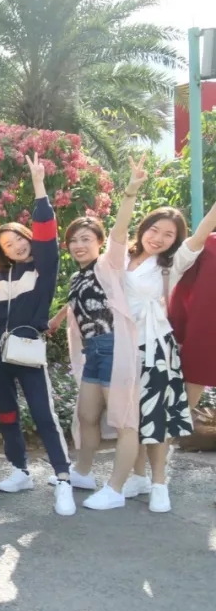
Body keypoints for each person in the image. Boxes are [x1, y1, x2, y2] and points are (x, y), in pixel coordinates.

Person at [0, 153, 75, 516]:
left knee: (43, 413)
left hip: (27, 350)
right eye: (8, 245)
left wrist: (39, 186)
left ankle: (63, 478)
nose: (17, 246)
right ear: (1, 251)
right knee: (6, 414)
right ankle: (20, 470)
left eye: (19, 239)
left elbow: (47, 232)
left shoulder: (43, 268)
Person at [111, 196, 216, 512]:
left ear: (176, 241)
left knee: (157, 418)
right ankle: (138, 476)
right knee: (133, 418)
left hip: (155, 344)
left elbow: (202, 232)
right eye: (154, 230)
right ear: (144, 228)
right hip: (122, 345)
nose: (158, 238)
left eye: (168, 235)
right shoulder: (124, 257)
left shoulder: (173, 263)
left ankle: (159, 484)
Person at [58, 156, 147, 511]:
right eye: (73, 240)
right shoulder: (77, 276)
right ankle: (83, 472)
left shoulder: (108, 264)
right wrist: (54, 321)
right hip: (94, 350)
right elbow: (78, 308)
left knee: (125, 421)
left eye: (86, 239)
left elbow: (120, 232)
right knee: (86, 415)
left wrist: (130, 192)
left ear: (99, 242)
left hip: (114, 346)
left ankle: (116, 488)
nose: (79, 245)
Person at [169, 232, 216, 409]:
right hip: (203, 334)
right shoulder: (208, 243)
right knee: (182, 405)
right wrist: (178, 334)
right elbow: (182, 292)